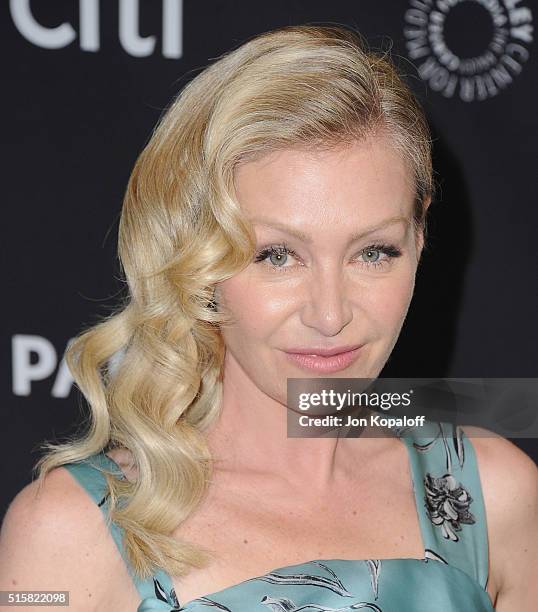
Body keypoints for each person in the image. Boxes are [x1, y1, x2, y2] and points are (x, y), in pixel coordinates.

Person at [1, 24, 536, 612]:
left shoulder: (494, 498)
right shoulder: (69, 533)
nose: (330, 314)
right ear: (198, 257)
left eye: (373, 252)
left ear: (421, 236)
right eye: (277, 256)